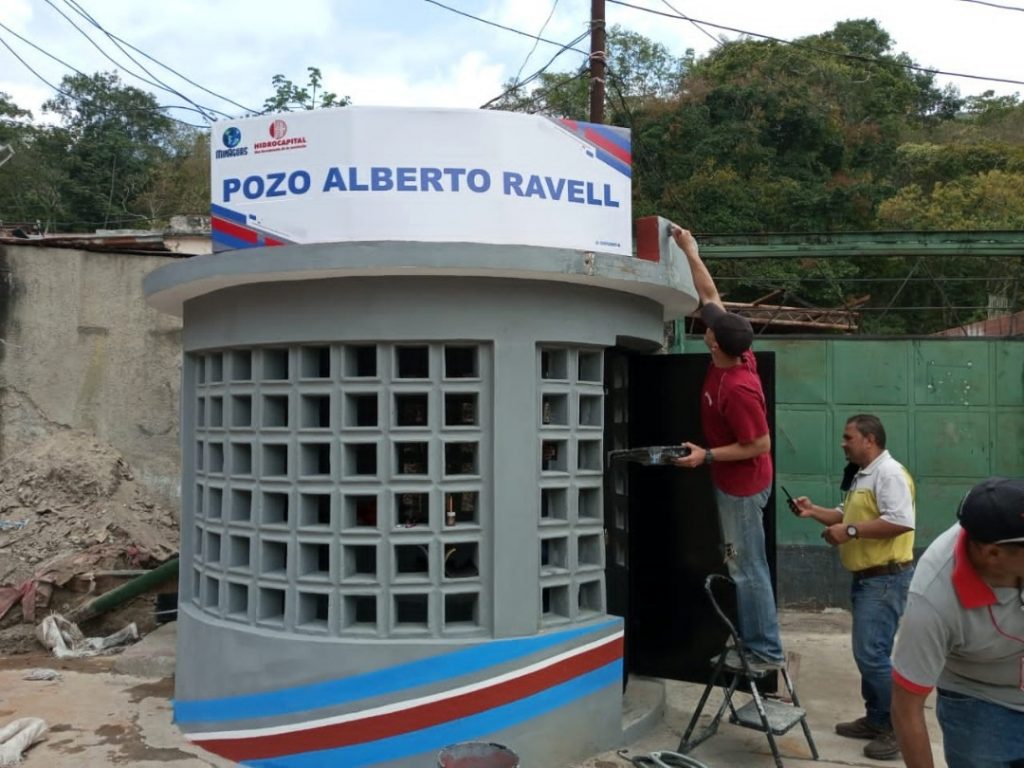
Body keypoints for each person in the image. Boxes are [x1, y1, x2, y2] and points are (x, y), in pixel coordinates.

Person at [668, 225, 785, 673]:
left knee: (747, 568)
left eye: (710, 327)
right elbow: (710, 293)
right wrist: (690, 249)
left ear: (714, 342)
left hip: (742, 487)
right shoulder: (737, 350)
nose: (707, 323)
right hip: (732, 482)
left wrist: (707, 456)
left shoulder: (738, 388)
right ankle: (756, 643)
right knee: (741, 563)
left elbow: (760, 443)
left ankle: (764, 651)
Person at [792, 414, 915, 761]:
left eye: (848, 437)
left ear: (869, 439)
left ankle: (897, 729)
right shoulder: (864, 475)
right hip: (868, 579)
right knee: (870, 654)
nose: (843, 443)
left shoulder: (889, 474)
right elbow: (845, 516)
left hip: (885, 579)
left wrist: (849, 532)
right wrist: (812, 511)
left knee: (872, 655)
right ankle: (877, 719)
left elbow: (901, 521)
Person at [890, 477, 1024, 768]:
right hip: (983, 703)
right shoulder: (933, 600)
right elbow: (906, 708)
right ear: (993, 554)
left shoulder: (1011, 548)